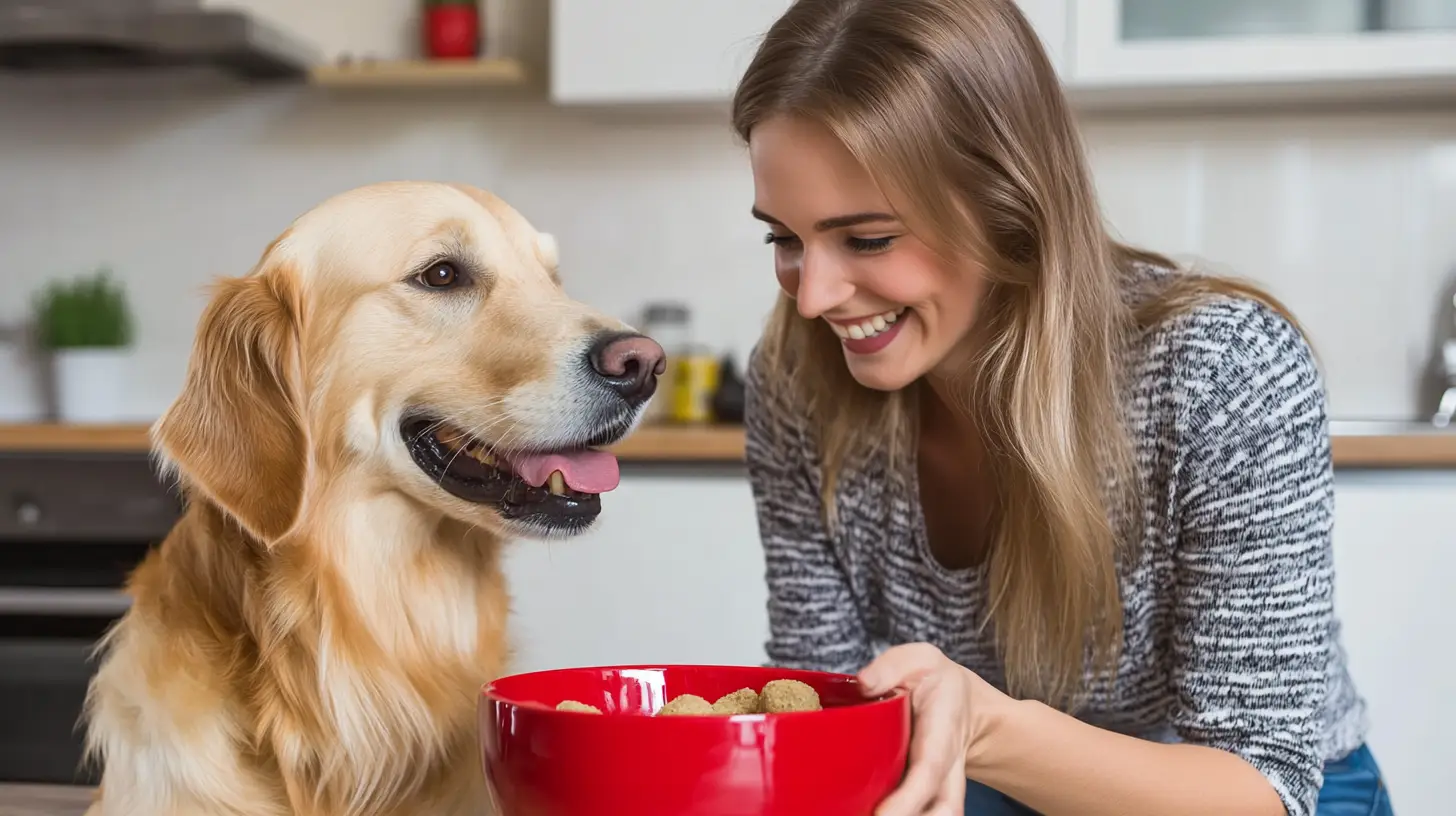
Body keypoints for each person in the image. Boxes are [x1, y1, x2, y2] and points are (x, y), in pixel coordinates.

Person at [732, 1, 1393, 815]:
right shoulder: (798, 382)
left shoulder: (1221, 372)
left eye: (867, 240)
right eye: (785, 240)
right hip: (993, 778)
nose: (815, 299)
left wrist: (983, 727)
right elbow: (817, 715)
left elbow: (1262, 784)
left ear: (1006, 200)